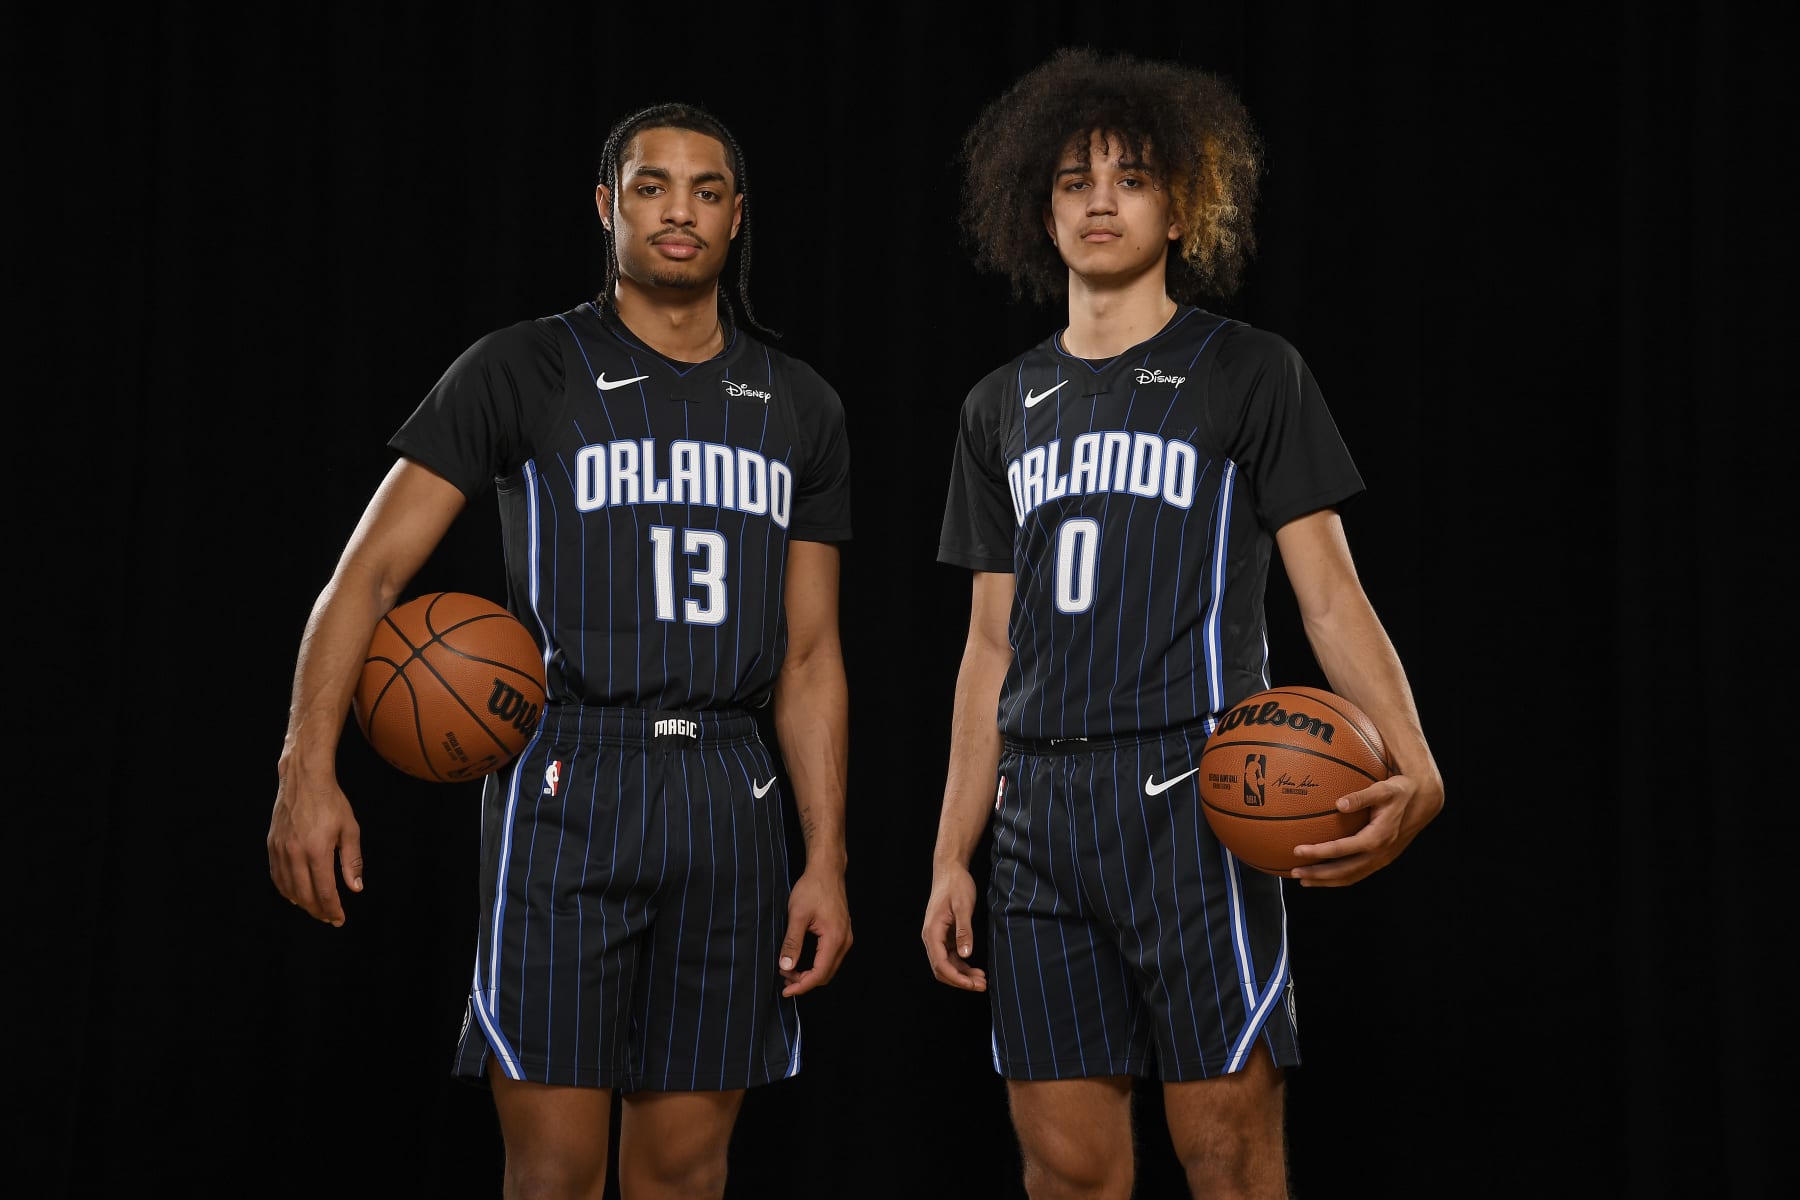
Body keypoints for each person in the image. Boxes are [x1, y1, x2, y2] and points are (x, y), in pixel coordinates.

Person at [269, 100, 853, 1199]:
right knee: (551, 1174)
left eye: (706, 190)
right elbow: (370, 577)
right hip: (566, 775)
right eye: (650, 185)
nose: (678, 211)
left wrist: (825, 858)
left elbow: (812, 654)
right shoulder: (522, 369)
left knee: (686, 1170)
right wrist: (307, 766)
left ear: (737, 218)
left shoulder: (800, 406)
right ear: (606, 205)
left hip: (732, 788)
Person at [921, 47, 1444, 1199]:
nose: (1100, 199)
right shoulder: (997, 407)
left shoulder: (1248, 371)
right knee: (1067, 1174)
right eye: (1072, 179)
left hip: (1199, 794)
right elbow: (988, 651)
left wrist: (1417, 762)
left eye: (1132, 175)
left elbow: (1329, 595)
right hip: (1038, 815)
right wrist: (952, 852)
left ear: (1183, 203)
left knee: (1231, 1159)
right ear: (1035, 208)